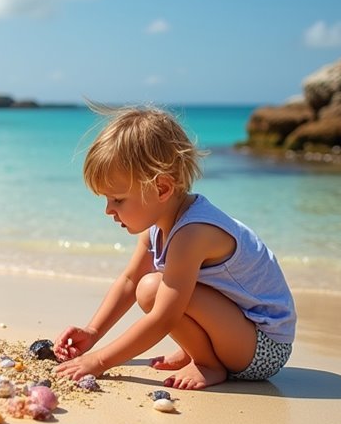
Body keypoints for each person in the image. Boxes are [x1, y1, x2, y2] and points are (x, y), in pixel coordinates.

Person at [53, 104, 296, 389]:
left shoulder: (193, 232)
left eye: (117, 199)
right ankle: (200, 352)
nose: (108, 210)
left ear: (162, 189)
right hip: (239, 334)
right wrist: (92, 332)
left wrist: (100, 360)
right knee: (147, 285)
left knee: (153, 289)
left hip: (264, 349)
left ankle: (207, 363)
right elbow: (129, 281)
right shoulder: (159, 224)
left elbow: (164, 317)